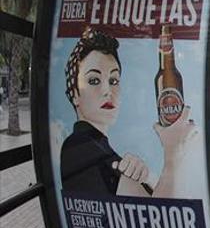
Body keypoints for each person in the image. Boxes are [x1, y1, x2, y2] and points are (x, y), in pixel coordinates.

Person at [60, 28, 196, 198]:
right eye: (94, 80)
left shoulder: (99, 146)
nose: (107, 90)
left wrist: (146, 178)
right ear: (74, 95)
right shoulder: (81, 147)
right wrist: (173, 152)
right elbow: (156, 217)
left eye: (114, 80)